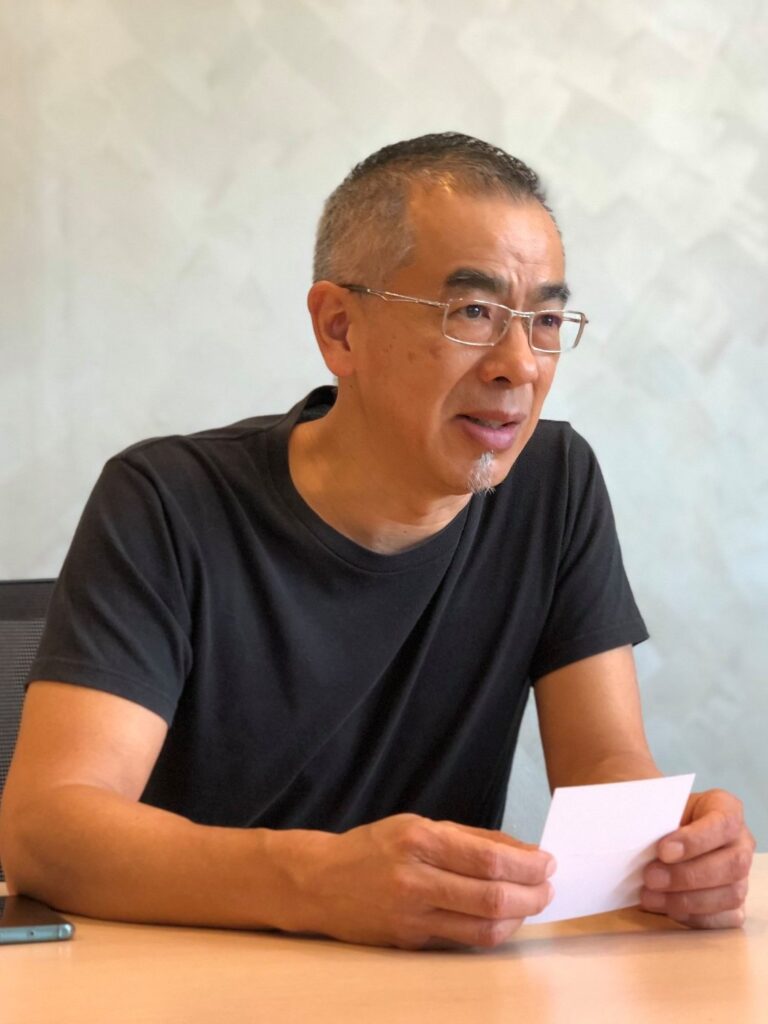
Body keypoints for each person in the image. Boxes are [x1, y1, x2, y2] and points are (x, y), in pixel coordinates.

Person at [0, 133, 754, 950]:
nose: (520, 366)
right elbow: (47, 828)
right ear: (340, 329)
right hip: (189, 976)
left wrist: (672, 848)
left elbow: (606, 765)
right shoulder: (168, 501)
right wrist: (320, 881)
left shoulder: (554, 482)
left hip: (436, 984)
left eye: (543, 321)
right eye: (472, 312)